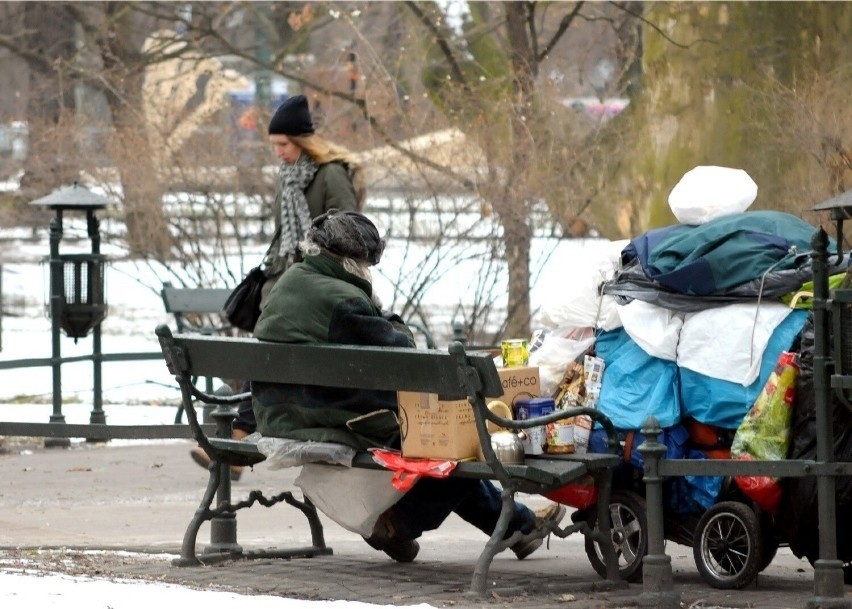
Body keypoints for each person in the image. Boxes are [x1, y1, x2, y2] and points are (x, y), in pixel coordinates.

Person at [251, 209, 566, 562]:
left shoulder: (291, 282)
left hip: (282, 412)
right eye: (368, 264)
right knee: (458, 443)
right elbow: (406, 353)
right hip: (331, 418)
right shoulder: (344, 300)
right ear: (354, 261)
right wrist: (387, 315)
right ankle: (399, 524)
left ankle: (516, 527)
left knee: (451, 438)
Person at [190, 94, 365, 476]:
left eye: (284, 144)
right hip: (286, 288)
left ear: (303, 142)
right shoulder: (288, 178)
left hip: (317, 293)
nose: (279, 153)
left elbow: (351, 234)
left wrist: (313, 267)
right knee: (268, 358)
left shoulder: (330, 174)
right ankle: (241, 437)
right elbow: (282, 234)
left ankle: (240, 436)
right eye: (274, 146)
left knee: (268, 356)